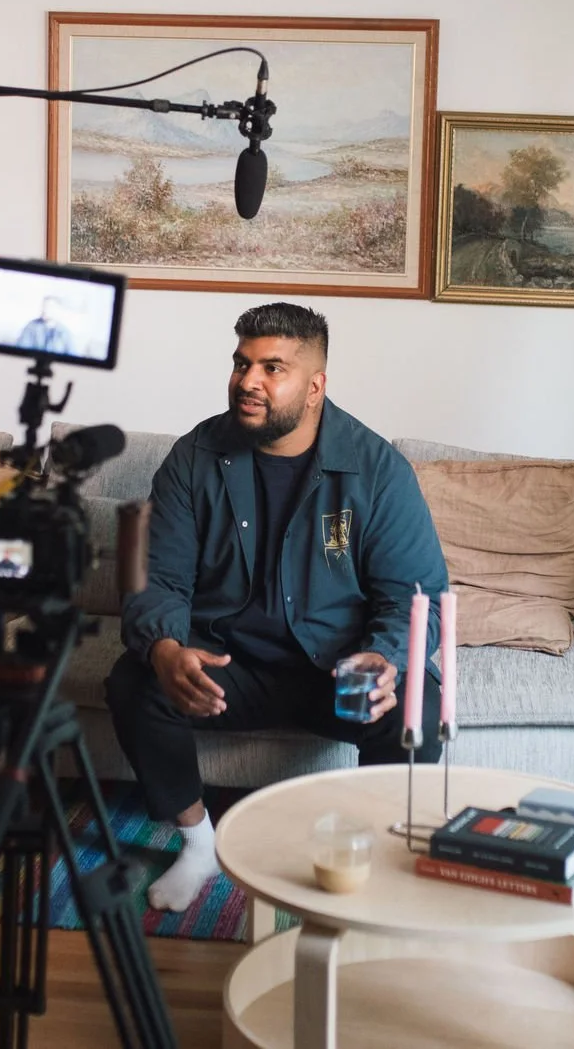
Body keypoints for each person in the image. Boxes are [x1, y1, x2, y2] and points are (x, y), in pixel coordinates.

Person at [105, 302, 446, 912]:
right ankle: (197, 845)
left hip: (336, 671)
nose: (248, 381)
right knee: (135, 679)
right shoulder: (194, 458)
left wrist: (385, 657)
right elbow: (155, 578)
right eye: (241, 364)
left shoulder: (375, 470)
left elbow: (415, 596)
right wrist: (166, 649)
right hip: (230, 666)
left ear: (315, 386)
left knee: (417, 699)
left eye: (272, 368)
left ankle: (375, 855)